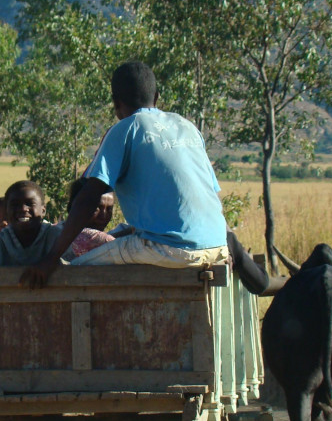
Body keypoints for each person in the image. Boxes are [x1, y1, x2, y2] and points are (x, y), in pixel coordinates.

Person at [21, 61, 268, 294]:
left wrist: (49, 261)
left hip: (169, 249)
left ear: (116, 104)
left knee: (75, 271)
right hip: (217, 246)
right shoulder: (187, 127)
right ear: (157, 98)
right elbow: (212, 197)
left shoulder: (125, 129)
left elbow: (87, 197)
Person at [0, 180, 63, 267]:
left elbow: (73, 263)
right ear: (7, 212)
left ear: (43, 210)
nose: (23, 209)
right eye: (15, 205)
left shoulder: (56, 236)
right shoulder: (0, 241)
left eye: (30, 203)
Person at [62, 177, 116, 259]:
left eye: (109, 209)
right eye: (96, 208)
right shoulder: (100, 241)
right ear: (75, 207)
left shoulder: (59, 231)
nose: (104, 216)